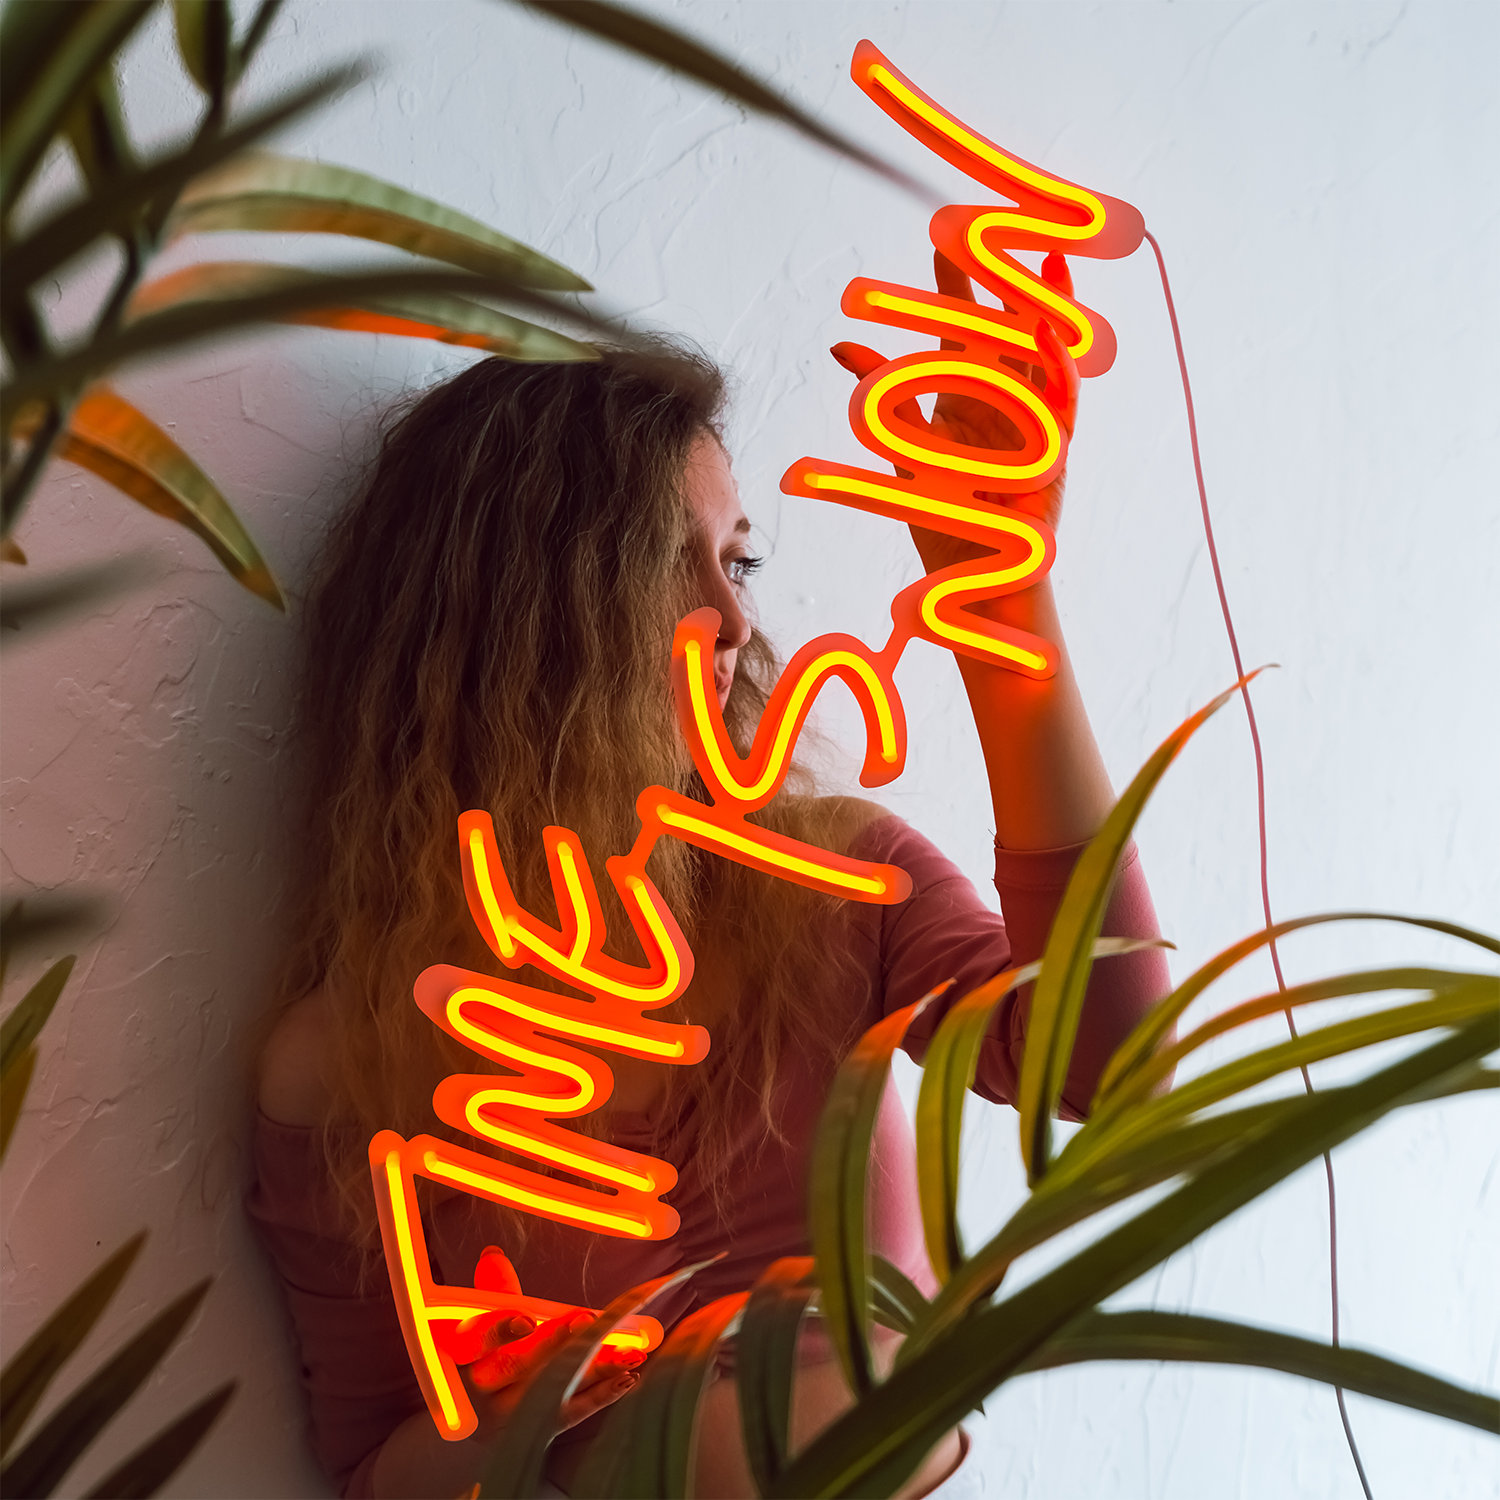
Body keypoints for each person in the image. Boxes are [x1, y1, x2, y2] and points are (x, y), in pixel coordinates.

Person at [250, 252, 1169, 1500]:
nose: (734, 624)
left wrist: (1005, 611)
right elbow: (368, 1467)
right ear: (523, 620)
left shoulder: (836, 880)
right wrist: (566, 1410)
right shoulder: (347, 1061)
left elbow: (1108, 1064)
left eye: (737, 562)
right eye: (661, 564)